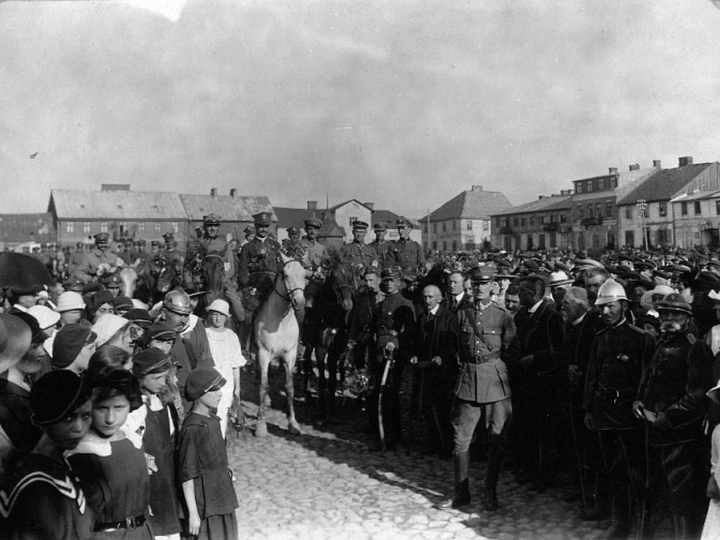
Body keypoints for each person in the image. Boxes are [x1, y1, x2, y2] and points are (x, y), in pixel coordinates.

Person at [438, 265, 519, 512]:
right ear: (470, 286)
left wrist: (500, 371)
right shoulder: (460, 315)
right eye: (475, 284)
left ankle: (490, 492)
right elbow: (451, 346)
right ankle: (461, 492)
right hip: (468, 382)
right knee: (460, 440)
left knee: (496, 439)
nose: (479, 288)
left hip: (495, 382)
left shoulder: (503, 315)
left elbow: (513, 351)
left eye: (484, 284)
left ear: (493, 286)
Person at [633, 293, 714, 539]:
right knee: (649, 488)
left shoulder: (695, 347)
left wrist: (666, 418)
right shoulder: (660, 342)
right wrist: (638, 399)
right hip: (652, 430)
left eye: (675, 314)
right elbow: (647, 378)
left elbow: (699, 394)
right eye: (665, 313)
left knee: (682, 497)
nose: (669, 318)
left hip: (680, 437)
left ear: (687, 317)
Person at [583, 279, 655, 539]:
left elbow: (647, 379)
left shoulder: (641, 339)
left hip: (629, 415)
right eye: (601, 308)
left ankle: (641, 528)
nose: (605, 313)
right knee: (613, 472)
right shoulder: (600, 337)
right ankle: (619, 523)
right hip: (604, 412)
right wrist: (589, 409)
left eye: (611, 307)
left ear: (623, 306)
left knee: (637, 474)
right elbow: (592, 375)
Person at [0, 370, 95, 540]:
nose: (79, 427)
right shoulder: (35, 483)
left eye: (86, 415)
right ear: (46, 420)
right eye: (69, 418)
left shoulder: (59, 465)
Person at [66, 369, 153, 539]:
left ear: (130, 406)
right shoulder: (79, 451)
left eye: (119, 408)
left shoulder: (133, 442)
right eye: (102, 408)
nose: (110, 419)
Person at [511, 274, 565, 490]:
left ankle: (545, 476)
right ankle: (530, 469)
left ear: (533, 294)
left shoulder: (550, 316)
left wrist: (535, 358)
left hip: (543, 384)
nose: (518, 294)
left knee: (544, 433)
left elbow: (559, 350)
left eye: (522, 291)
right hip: (524, 382)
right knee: (528, 429)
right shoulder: (523, 314)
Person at [178, 367, 239, 540]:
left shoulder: (211, 421)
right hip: (205, 505)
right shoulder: (192, 427)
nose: (219, 394)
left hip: (222, 498)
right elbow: (186, 473)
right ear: (199, 393)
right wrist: (193, 514)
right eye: (213, 390)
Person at [132, 348, 182, 540]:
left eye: (165, 377)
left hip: (166, 473)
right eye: (158, 378)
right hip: (150, 477)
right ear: (142, 377)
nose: (163, 383)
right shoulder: (136, 408)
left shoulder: (161, 402)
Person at [408, 284, 459, 458]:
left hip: (443, 372)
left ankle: (447, 446)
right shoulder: (422, 318)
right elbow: (416, 341)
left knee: (443, 409)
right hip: (425, 370)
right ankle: (434, 443)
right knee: (428, 407)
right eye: (425, 297)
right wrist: (414, 355)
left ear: (439, 298)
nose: (427, 300)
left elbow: (453, 343)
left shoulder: (449, 318)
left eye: (430, 297)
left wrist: (442, 357)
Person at [369, 267, 416, 449]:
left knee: (390, 393)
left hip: (394, 353)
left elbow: (409, 331)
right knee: (376, 391)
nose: (388, 283)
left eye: (392, 280)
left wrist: (395, 342)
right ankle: (378, 429)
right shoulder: (380, 305)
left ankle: (393, 435)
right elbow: (374, 328)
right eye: (386, 280)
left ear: (399, 282)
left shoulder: (404, 304)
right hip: (379, 350)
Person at [204, 299, 245, 438]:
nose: (218, 318)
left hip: (226, 383)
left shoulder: (231, 336)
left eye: (222, 315)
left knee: (222, 417)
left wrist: (237, 389)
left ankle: (220, 445)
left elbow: (235, 365)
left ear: (226, 317)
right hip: (209, 382)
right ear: (210, 315)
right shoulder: (205, 334)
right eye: (215, 314)